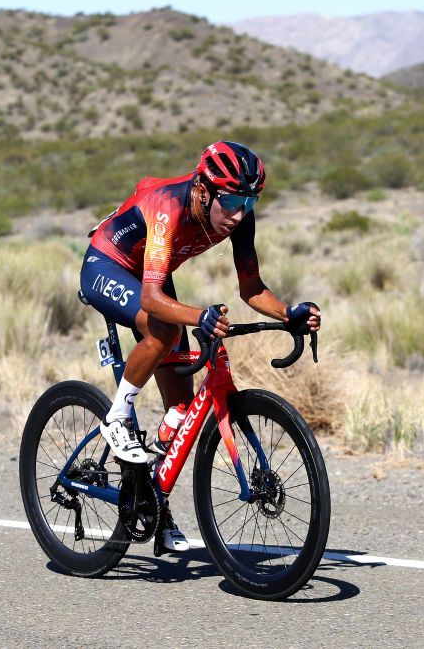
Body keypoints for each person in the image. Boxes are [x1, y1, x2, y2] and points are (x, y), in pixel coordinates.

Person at [79, 141, 321, 553]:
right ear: (203, 191)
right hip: (108, 264)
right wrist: (199, 316)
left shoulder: (239, 216)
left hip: (153, 274)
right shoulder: (168, 207)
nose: (240, 212)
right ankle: (117, 417)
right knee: (166, 331)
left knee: (180, 410)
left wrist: (288, 313)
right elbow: (154, 301)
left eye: (249, 200)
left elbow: (251, 288)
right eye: (231, 200)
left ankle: (154, 504)